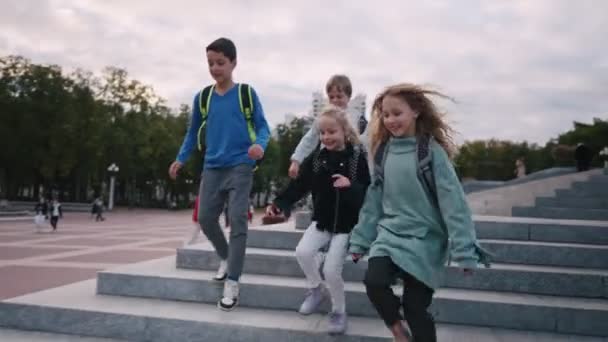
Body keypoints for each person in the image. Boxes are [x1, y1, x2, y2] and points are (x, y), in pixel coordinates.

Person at [349, 83, 491, 342]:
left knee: (416, 308)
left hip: (426, 241)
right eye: (385, 114)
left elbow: (454, 202)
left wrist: (465, 249)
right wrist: (360, 240)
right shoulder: (383, 152)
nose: (391, 120)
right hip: (390, 235)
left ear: (415, 111)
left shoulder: (430, 152)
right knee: (374, 281)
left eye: (397, 113)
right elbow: (374, 202)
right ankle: (397, 330)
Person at [168, 37, 270, 311]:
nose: (215, 68)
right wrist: (180, 159)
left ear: (233, 63)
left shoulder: (246, 93)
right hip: (212, 166)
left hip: (240, 165)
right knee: (204, 218)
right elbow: (192, 133)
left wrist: (260, 145)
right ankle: (225, 257)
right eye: (211, 63)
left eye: (220, 63)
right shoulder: (203, 98)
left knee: (238, 221)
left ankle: (233, 281)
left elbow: (263, 127)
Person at [266, 106, 370, 334]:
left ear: (344, 131)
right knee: (303, 252)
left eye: (331, 132)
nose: (326, 137)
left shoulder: (356, 157)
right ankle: (316, 289)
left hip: (346, 225)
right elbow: (299, 185)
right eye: (322, 133)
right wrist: (280, 203)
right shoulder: (317, 158)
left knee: (332, 270)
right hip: (322, 220)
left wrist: (350, 186)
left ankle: (339, 311)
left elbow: (368, 191)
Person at [288, 75, 368, 179]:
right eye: (331, 97)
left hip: (350, 167)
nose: (335, 100)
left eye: (339, 96)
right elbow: (309, 140)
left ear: (348, 97)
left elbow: (367, 144)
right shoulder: (323, 118)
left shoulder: (358, 118)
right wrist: (296, 161)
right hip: (326, 164)